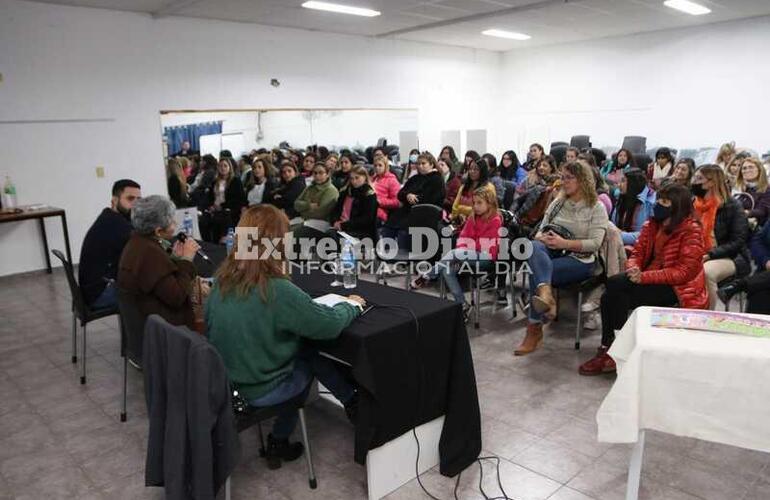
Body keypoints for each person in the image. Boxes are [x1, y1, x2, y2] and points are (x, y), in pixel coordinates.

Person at [206, 205, 363, 469]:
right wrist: (352, 305)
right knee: (308, 357)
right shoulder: (276, 290)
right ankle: (281, 438)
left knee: (303, 348)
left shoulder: (221, 281)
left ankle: (350, 400)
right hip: (259, 390)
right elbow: (329, 325)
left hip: (228, 382)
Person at [579, 183, 708, 375]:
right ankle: (614, 350)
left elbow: (683, 273)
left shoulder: (692, 230)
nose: (658, 204)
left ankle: (613, 350)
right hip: (646, 278)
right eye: (659, 200)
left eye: (665, 201)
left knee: (614, 288)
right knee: (613, 295)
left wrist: (643, 276)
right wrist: (634, 269)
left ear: (677, 206)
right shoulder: (652, 224)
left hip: (677, 288)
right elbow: (637, 253)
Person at [515, 161, 609, 356]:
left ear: (583, 180)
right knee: (533, 246)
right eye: (562, 177)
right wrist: (543, 237)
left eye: (568, 178)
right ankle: (546, 295)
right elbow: (541, 228)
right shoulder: (558, 202)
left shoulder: (596, 207)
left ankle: (534, 329)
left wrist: (564, 243)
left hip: (580, 259)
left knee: (537, 271)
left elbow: (595, 243)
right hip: (551, 250)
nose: (563, 182)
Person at [412, 188, 501, 321]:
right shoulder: (472, 217)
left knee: (454, 252)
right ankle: (462, 304)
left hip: (486, 257)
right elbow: (463, 237)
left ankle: (428, 275)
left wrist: (463, 250)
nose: (475, 206)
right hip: (466, 255)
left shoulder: (496, 220)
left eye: (479, 203)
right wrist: (463, 251)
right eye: (474, 203)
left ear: (489, 203)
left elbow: (486, 245)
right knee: (447, 270)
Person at [118, 195, 199, 330]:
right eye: (172, 222)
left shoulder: (137, 242)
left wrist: (174, 259)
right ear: (158, 231)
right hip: (163, 331)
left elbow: (161, 280)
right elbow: (177, 297)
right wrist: (186, 260)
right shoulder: (149, 253)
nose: (175, 224)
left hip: (146, 322)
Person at [691, 165, 751, 308]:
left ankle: (710, 314)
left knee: (706, 272)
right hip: (699, 252)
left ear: (712, 182)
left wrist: (710, 255)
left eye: (699, 178)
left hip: (731, 256)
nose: (694, 182)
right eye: (694, 177)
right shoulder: (694, 204)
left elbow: (738, 241)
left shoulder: (733, 206)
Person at [78, 179, 141, 309]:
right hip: (100, 294)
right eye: (130, 199)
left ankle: (137, 329)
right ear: (114, 201)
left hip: (91, 290)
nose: (135, 204)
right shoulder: (118, 225)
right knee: (153, 294)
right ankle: (145, 329)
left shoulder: (109, 217)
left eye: (139, 200)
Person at [381, 152, 445, 250]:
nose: (420, 166)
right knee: (388, 227)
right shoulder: (415, 178)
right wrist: (407, 195)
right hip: (407, 211)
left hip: (424, 214)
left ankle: (404, 261)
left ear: (431, 164)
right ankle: (388, 257)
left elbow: (430, 199)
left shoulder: (436, 179)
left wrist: (413, 198)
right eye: (418, 164)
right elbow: (400, 193)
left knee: (403, 232)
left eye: (423, 163)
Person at [718, 221, 770, 314]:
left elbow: (737, 241)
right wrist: (766, 260)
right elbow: (757, 241)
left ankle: (739, 285)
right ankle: (753, 327)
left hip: (764, 277)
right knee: (758, 294)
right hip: (765, 276)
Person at [199, 159, 248, 243]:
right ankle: (207, 243)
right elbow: (210, 197)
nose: (223, 168)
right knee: (203, 220)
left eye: (225, 166)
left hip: (229, 208)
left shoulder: (235, 181)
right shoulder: (215, 182)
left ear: (230, 167)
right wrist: (210, 206)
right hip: (215, 208)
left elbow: (238, 199)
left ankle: (223, 243)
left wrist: (221, 206)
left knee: (224, 217)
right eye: (220, 166)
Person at [329, 166, 379, 241]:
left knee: (331, 238)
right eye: (352, 178)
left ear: (365, 177)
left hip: (358, 230)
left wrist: (344, 225)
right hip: (340, 227)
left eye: (357, 178)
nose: (354, 181)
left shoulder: (369, 195)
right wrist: (335, 221)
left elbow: (367, 219)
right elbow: (336, 210)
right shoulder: (345, 192)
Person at [612, 168, 655, 245]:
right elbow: (613, 223)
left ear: (633, 183)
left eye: (623, 181)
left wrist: (618, 235)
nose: (619, 185)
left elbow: (643, 236)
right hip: (618, 243)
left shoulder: (650, 203)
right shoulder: (622, 197)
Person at [450, 156, 495, 228]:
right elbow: (454, 208)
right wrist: (457, 217)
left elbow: (485, 211)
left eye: (476, 169)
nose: (472, 171)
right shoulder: (464, 186)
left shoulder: (488, 188)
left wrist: (461, 208)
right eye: (470, 169)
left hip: (479, 224)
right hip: (460, 221)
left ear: (482, 171)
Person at [733, 157, 770, 227]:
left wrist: (743, 213)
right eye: (744, 168)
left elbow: (762, 211)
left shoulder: (767, 189)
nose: (747, 170)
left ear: (759, 170)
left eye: (751, 167)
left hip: (756, 231)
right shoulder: (738, 189)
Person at [371, 156, 401, 225]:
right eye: (375, 165)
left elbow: (397, 202)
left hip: (380, 214)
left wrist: (380, 201)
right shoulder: (373, 179)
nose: (377, 168)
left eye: (380, 165)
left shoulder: (392, 180)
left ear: (386, 166)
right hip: (369, 210)